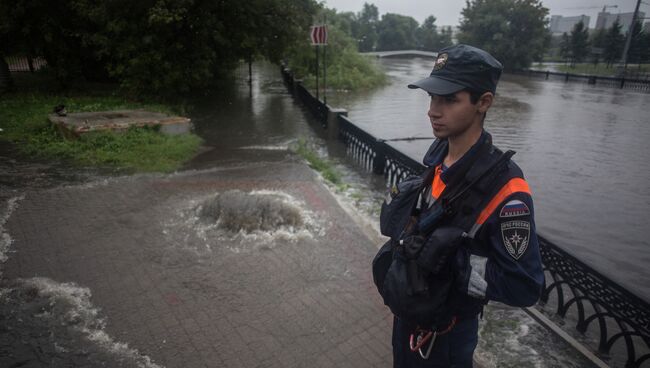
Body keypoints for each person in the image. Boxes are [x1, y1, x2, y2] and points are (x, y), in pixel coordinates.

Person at [386, 44, 545, 367]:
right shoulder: (437, 157)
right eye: (432, 97)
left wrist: (456, 262)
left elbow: (524, 286)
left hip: (446, 337)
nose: (433, 110)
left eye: (449, 100)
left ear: (483, 102)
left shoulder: (507, 190)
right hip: (407, 317)